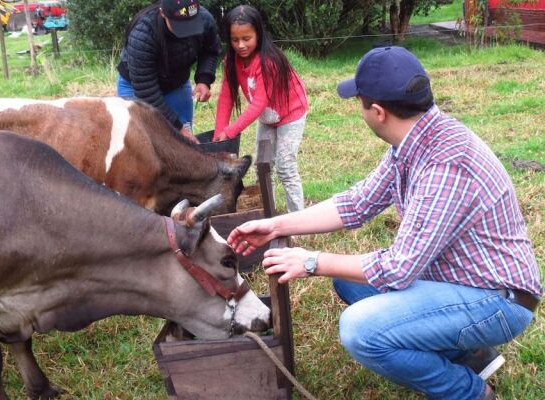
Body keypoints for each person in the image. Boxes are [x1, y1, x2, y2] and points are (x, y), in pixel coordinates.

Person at [228, 46, 541, 400]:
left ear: (377, 112)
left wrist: (311, 261)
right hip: (461, 277)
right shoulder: (416, 140)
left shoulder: (444, 163)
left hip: (498, 301)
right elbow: (357, 203)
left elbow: (398, 269)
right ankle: (466, 352)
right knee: (351, 285)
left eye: (358, 101)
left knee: (360, 329)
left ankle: (469, 392)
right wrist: (277, 225)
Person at [214, 5, 308, 212]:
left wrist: (231, 131)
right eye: (234, 40)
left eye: (246, 38)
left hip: (290, 114)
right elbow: (226, 97)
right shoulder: (231, 61)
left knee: (285, 167)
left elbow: (259, 103)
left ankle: (298, 219)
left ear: (259, 34)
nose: (240, 45)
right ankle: (269, 213)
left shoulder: (268, 62)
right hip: (268, 118)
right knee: (262, 167)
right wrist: (220, 133)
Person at [117, 0, 220, 142]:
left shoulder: (204, 19)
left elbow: (210, 51)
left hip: (177, 83)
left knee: (183, 145)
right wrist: (177, 127)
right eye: (181, 26)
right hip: (137, 88)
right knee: (142, 143)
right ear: (163, 13)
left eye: (191, 24)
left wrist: (204, 80)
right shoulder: (143, 33)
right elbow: (146, 91)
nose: (186, 34)